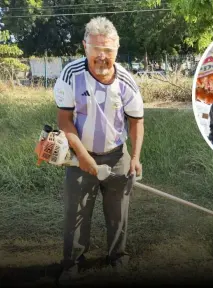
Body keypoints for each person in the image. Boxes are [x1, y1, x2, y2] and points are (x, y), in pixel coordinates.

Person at [53, 17, 144, 282]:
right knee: (77, 212)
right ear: (85, 47)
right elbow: (64, 120)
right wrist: (82, 156)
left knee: (118, 212)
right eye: (96, 50)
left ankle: (118, 256)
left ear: (117, 49)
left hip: (117, 156)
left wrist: (135, 159)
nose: (103, 57)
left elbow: (137, 123)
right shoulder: (71, 75)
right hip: (79, 156)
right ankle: (71, 263)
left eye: (109, 50)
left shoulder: (126, 81)